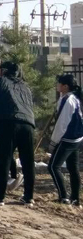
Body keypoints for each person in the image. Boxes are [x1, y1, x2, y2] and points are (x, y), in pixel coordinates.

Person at [0, 61, 36, 207]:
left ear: (3, 70)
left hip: (9, 122)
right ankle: (28, 197)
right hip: (28, 124)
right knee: (28, 161)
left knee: (4, 158)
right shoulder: (25, 86)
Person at [48, 74, 82, 207]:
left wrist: (54, 142)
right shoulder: (74, 98)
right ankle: (75, 198)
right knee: (73, 168)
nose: (57, 85)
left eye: (59, 83)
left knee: (53, 166)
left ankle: (63, 197)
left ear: (65, 86)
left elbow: (62, 124)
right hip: (77, 138)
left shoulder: (68, 100)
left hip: (68, 138)